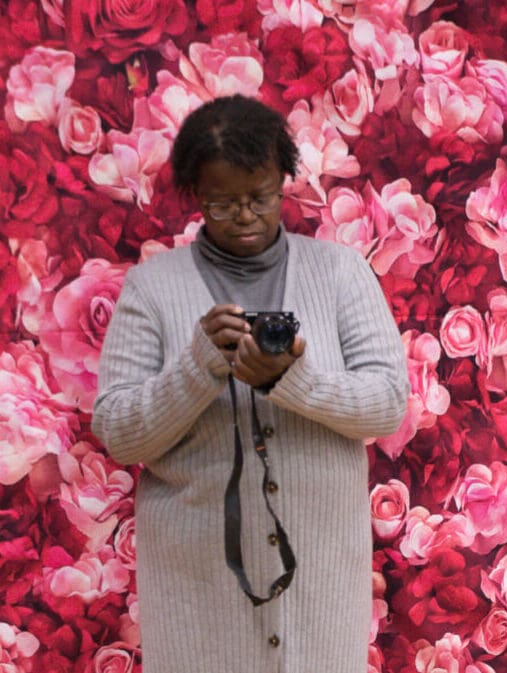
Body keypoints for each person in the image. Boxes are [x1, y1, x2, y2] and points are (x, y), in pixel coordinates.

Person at [91, 94, 409, 673]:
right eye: (223, 203)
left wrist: (293, 380)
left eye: (261, 198)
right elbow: (118, 432)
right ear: (194, 194)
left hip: (321, 587)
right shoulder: (152, 289)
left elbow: (387, 405)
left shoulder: (341, 275)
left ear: (284, 180)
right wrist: (197, 369)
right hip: (197, 594)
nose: (245, 215)